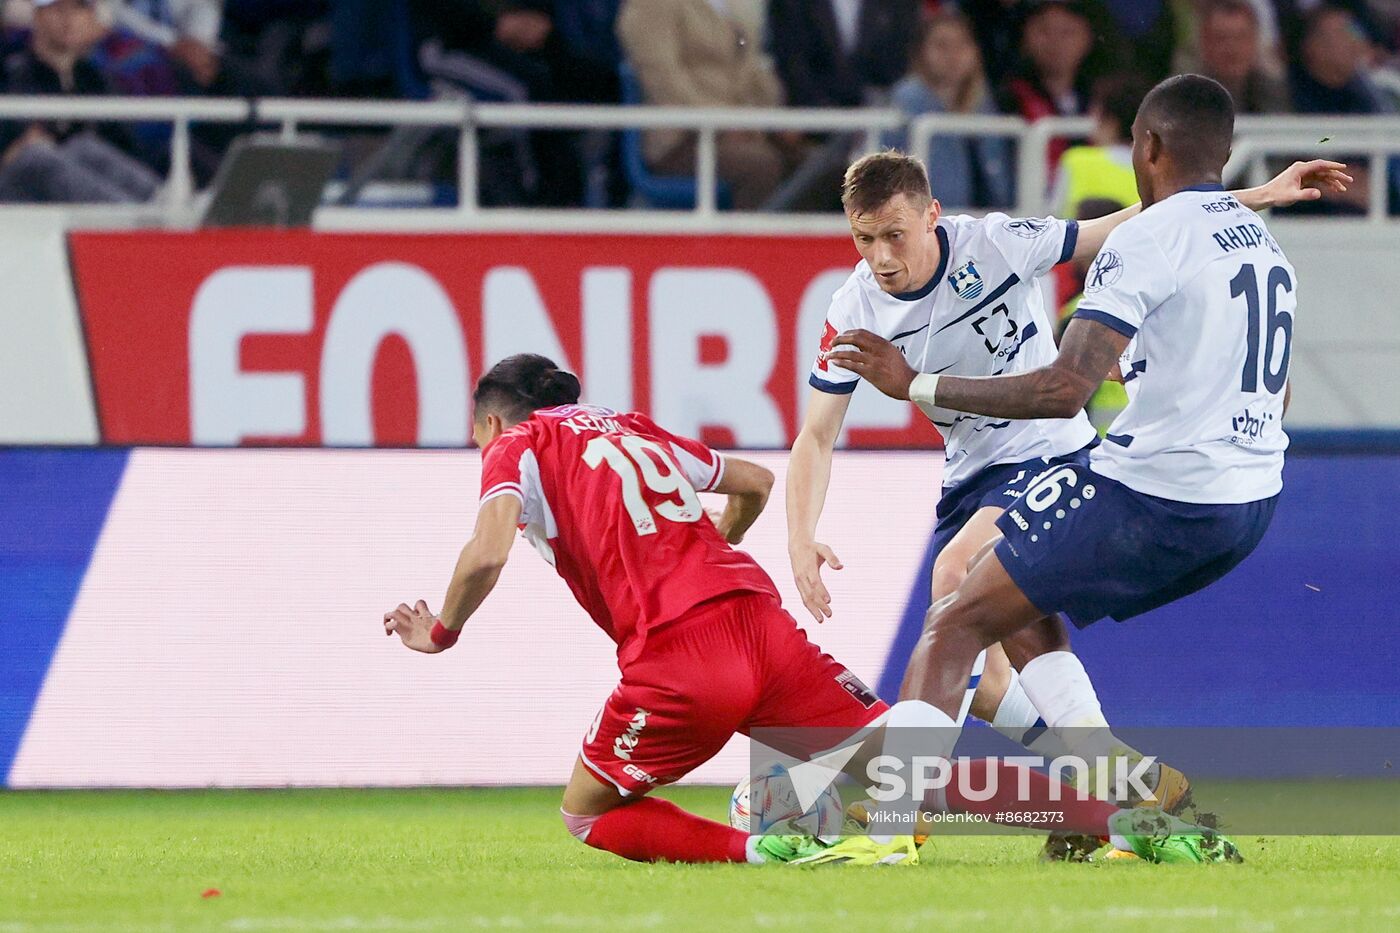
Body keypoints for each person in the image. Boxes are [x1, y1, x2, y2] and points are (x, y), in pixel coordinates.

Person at [383, 354, 1217, 867]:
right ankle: (1115, 805)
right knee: (905, 769)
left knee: (587, 813)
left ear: (493, 419)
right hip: (758, 619)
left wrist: (443, 632)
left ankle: (763, 847)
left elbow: (487, 551)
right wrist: (710, 546)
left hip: (678, 656)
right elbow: (751, 481)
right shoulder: (631, 425)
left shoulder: (515, 445)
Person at [816, 75, 1349, 862]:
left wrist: (914, 384)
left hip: (1156, 490)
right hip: (1251, 499)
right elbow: (1279, 382)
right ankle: (1143, 806)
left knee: (956, 613)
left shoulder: (1142, 240)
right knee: (1016, 603)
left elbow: (1063, 387)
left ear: (1148, 148)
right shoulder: (1260, 245)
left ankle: (892, 825)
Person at [616, 0, 803, 211]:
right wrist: (723, 124)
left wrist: (777, 118)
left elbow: (752, 72)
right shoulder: (650, 5)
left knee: (815, 164)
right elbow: (664, 82)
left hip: (742, 130)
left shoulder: (728, 7)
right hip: (683, 140)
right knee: (761, 166)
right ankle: (745, 242)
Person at [0, 0, 162, 203]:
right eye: (58, 9)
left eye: (79, 9)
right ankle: (134, 221)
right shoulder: (9, 74)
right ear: (38, 15)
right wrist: (18, 147)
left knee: (84, 147)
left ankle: (159, 203)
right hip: (17, 187)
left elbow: (125, 146)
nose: (68, 19)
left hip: (77, 190)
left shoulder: (96, 79)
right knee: (38, 156)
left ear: (91, 18)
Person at [882, 10, 1014, 209]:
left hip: (985, 222)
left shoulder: (985, 106)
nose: (953, 55)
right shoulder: (905, 103)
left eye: (962, 44)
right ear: (921, 51)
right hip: (932, 221)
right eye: (941, 45)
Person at [1197, 0, 1292, 115]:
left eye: (1240, 38)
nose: (1232, 48)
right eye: (1221, 38)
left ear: (1254, 42)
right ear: (1205, 43)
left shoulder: (1273, 90)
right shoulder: (1183, 91)